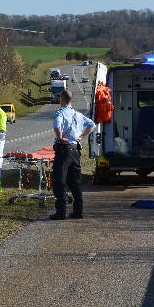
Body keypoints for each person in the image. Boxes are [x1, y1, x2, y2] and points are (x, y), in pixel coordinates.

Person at [50, 88, 95, 220]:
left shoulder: (60, 113)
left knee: (60, 180)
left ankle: (61, 212)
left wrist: (59, 137)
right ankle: (78, 211)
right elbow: (91, 124)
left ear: (61, 99)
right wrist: (82, 136)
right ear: (71, 100)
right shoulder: (78, 114)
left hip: (64, 149)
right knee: (75, 181)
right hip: (75, 150)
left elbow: (57, 126)